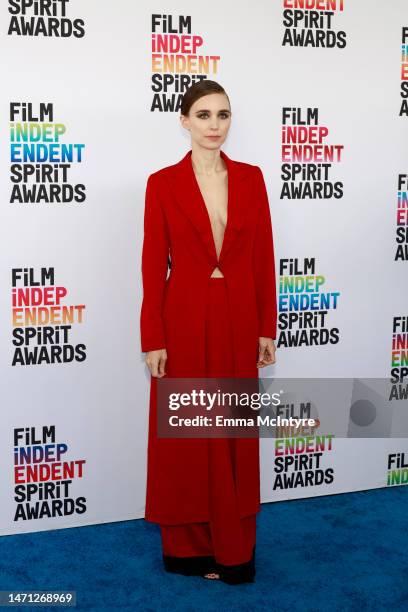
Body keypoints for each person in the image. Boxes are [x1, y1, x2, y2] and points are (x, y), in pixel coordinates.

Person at [140, 80, 277, 584]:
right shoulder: (162, 183)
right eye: (203, 115)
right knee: (189, 435)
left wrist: (267, 326)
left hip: (239, 318)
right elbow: (153, 264)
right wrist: (152, 336)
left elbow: (263, 256)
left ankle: (234, 550)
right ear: (184, 121)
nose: (214, 125)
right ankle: (189, 550)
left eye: (222, 114)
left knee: (234, 434)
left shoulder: (252, 178)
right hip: (183, 318)